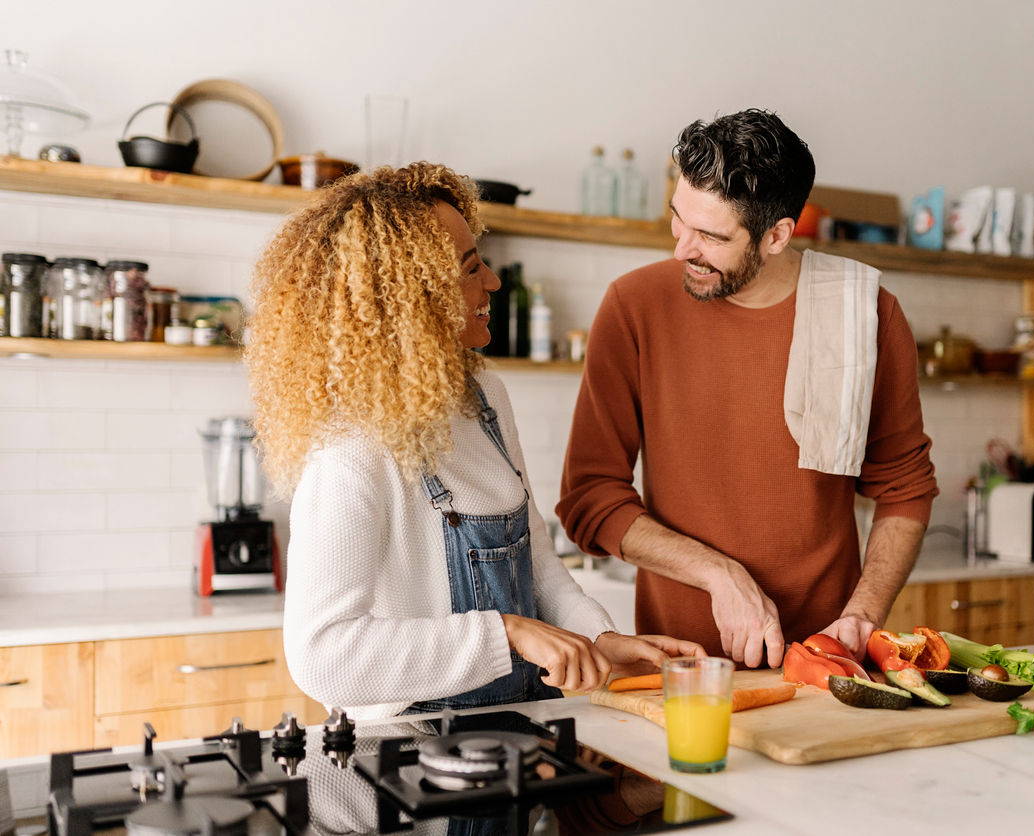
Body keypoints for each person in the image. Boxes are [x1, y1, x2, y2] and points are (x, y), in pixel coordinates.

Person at [247, 162, 702, 721]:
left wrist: (595, 637)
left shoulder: (485, 396)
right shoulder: (352, 448)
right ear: (412, 296)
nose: (491, 281)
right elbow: (322, 657)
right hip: (413, 760)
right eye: (469, 269)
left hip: (516, 728)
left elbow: (534, 559)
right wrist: (504, 632)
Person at [557, 109, 938, 669]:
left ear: (778, 234)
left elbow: (904, 489)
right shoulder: (633, 307)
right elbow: (589, 498)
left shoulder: (865, 314)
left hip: (824, 666)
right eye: (678, 221)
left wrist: (863, 613)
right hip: (678, 671)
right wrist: (720, 575)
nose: (683, 248)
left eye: (710, 236)